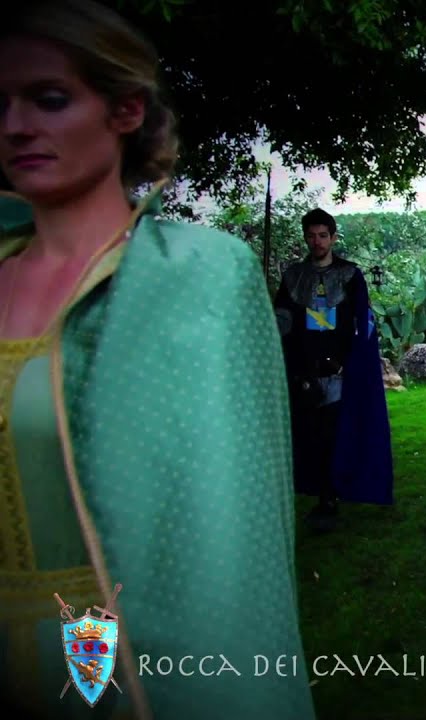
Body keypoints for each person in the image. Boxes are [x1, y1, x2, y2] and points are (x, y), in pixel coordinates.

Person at [0, 1, 316, 718]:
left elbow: (230, 526)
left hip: (101, 654)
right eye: (0, 104)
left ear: (125, 110)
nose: (16, 126)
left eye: (49, 99)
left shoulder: (199, 278)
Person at [273, 208, 393, 531]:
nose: (317, 242)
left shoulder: (350, 276)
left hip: (338, 369)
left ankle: (329, 497)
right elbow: (284, 320)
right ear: (305, 238)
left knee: (331, 433)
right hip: (304, 368)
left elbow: (361, 323)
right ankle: (317, 491)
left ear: (333, 237)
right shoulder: (294, 277)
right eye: (311, 236)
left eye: (323, 235)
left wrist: (348, 361)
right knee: (309, 434)